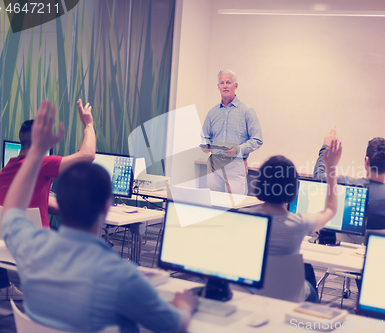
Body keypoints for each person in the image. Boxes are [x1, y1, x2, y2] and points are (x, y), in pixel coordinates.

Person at [1, 101, 197, 332]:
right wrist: (184, 306)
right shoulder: (122, 276)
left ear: (59, 200)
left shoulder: (30, 249)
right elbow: (176, 326)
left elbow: (11, 212)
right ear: (106, 206)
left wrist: (34, 153)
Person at [0, 99, 96, 300]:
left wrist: (68, 210)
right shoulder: (42, 163)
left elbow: (30, 205)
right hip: (36, 243)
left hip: (6, 244)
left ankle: (3, 287)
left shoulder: (7, 169)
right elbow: (87, 155)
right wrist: (88, 124)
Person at [249, 137, 342, 302]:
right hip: (288, 297)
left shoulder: (244, 218)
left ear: (261, 182)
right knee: (308, 279)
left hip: (250, 293)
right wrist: (331, 168)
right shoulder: (299, 224)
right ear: (293, 188)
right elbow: (331, 209)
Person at [314, 129, 385, 236]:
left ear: (366, 161)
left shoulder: (344, 184)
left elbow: (318, 178)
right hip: (378, 252)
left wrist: (325, 148)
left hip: (343, 250)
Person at [201, 69, 263, 195]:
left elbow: (257, 139)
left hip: (236, 163)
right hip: (214, 163)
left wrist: (238, 149)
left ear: (235, 85)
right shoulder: (212, 113)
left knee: (235, 205)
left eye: (228, 82)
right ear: (218, 86)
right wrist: (205, 144)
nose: (225, 85)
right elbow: (205, 136)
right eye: (222, 83)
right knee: (212, 202)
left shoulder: (247, 111)